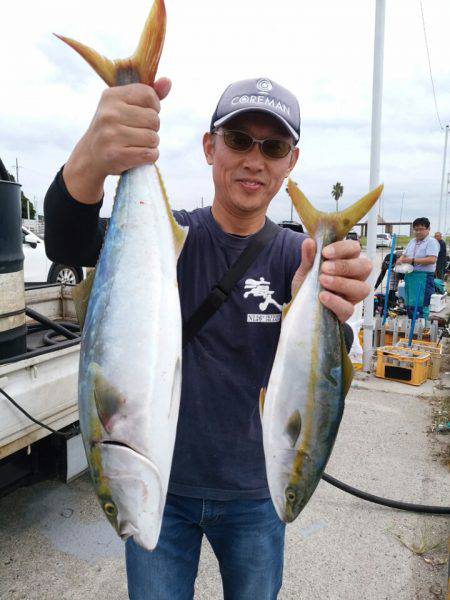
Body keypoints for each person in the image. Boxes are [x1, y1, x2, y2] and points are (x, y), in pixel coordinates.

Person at [44, 77, 372, 599]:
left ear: (291, 162)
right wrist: (94, 154)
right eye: (239, 140)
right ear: (208, 146)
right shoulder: (163, 239)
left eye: (274, 147)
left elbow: (328, 374)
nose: (254, 159)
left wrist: (331, 298)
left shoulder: (298, 258)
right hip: (162, 488)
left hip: (257, 494)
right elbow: (67, 239)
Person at [396, 218, 439, 320]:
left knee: (421, 304)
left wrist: (412, 260)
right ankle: (412, 325)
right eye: (416, 229)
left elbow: (432, 259)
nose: (418, 232)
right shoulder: (412, 241)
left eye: (421, 229)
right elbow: (404, 254)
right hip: (410, 276)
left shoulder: (431, 242)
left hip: (423, 277)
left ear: (428, 229)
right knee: (410, 303)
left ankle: (421, 328)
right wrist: (400, 260)